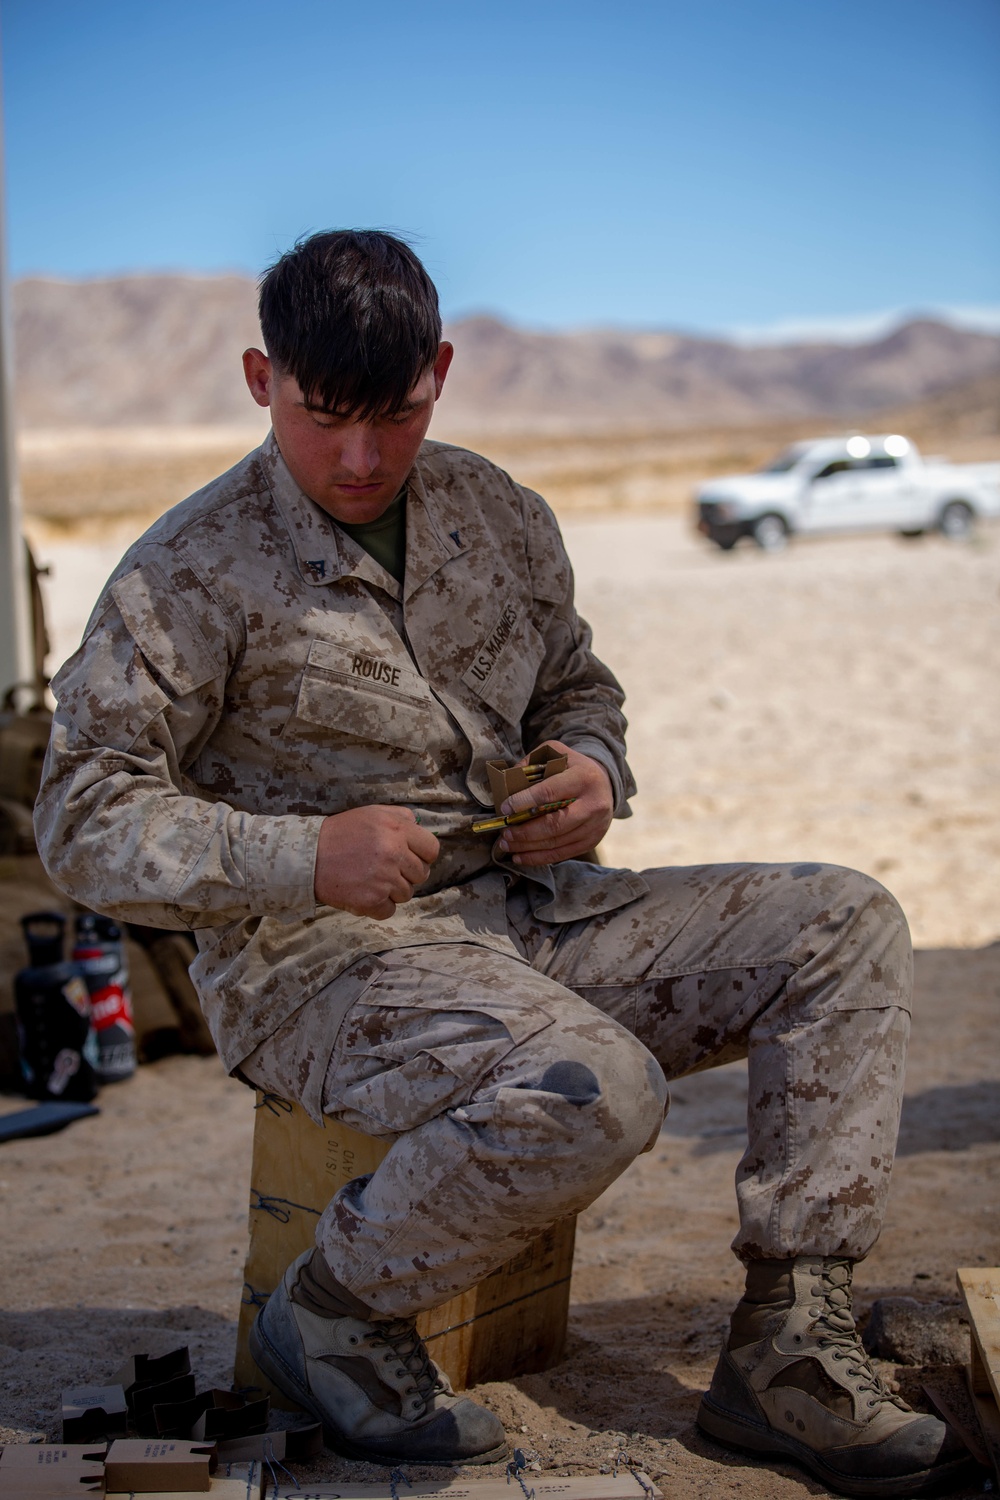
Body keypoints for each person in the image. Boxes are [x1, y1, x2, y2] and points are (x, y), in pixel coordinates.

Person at [35, 231, 970, 1497]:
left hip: (532, 911)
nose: (361, 459)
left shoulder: (498, 516)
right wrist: (304, 856)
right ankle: (333, 1315)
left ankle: (787, 1343)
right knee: (597, 1089)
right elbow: (80, 818)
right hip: (318, 967)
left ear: (443, 373)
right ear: (262, 380)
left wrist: (589, 769)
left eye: (397, 416)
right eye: (324, 419)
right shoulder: (186, 572)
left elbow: (579, 684)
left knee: (846, 922)